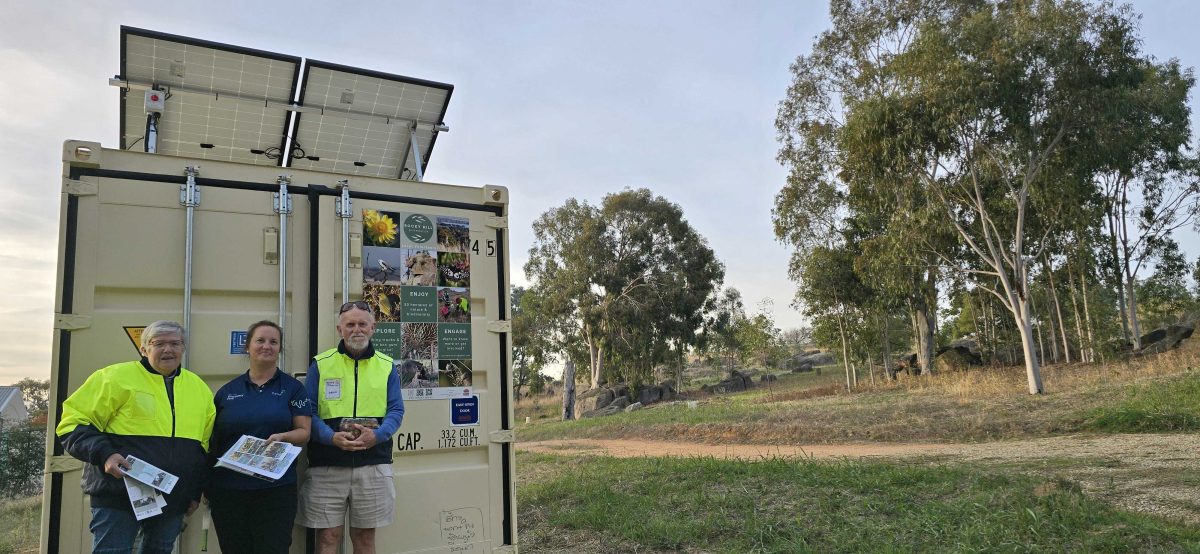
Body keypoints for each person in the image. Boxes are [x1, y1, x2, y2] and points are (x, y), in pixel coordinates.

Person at [56, 320, 215, 554]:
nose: (168, 349)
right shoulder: (114, 377)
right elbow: (72, 424)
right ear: (143, 349)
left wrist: (192, 492)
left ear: (183, 348)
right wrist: (106, 455)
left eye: (175, 343)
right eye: (158, 343)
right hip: (117, 493)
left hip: (172, 498)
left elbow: (202, 448)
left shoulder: (198, 388)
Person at [299, 301, 404, 554]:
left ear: (373, 328)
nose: (356, 329)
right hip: (327, 466)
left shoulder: (387, 366)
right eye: (350, 324)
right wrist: (329, 437)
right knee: (327, 538)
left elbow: (396, 411)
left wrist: (377, 436)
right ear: (340, 329)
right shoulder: (321, 365)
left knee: (365, 539)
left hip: (373, 465)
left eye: (362, 324)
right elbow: (307, 411)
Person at [207, 321, 312, 553]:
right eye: (260, 340)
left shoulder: (293, 388)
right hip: (228, 490)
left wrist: (284, 436)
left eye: (273, 342)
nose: (267, 346)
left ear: (280, 349)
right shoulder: (227, 391)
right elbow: (212, 441)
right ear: (247, 347)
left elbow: (304, 432)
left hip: (275, 490)